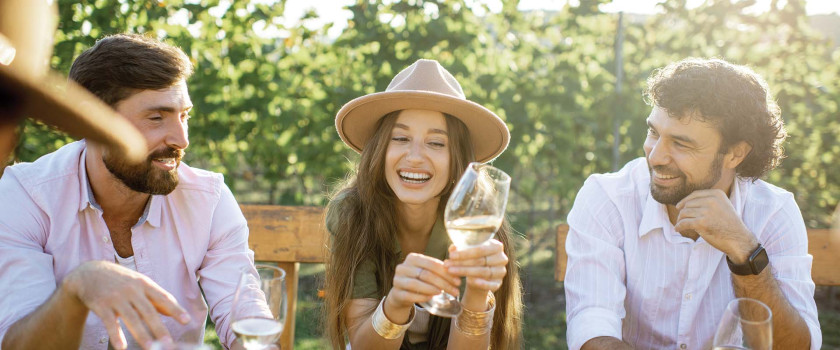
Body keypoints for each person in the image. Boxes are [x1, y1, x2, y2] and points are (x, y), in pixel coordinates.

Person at [0, 33, 263, 350]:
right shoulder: (27, 196)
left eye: (184, 116)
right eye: (156, 118)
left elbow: (244, 319)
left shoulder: (208, 199)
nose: (181, 139)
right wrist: (77, 288)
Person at [564, 58, 821, 350]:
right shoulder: (606, 198)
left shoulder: (774, 213)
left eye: (681, 144)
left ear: (735, 153)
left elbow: (796, 346)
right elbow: (592, 328)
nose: (655, 156)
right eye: (654, 133)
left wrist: (745, 250)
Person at [324, 59, 523, 349]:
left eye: (436, 143)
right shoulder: (353, 214)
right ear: (380, 148)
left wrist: (477, 292)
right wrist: (396, 303)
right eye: (400, 138)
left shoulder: (478, 222)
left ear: (458, 158)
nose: (415, 156)